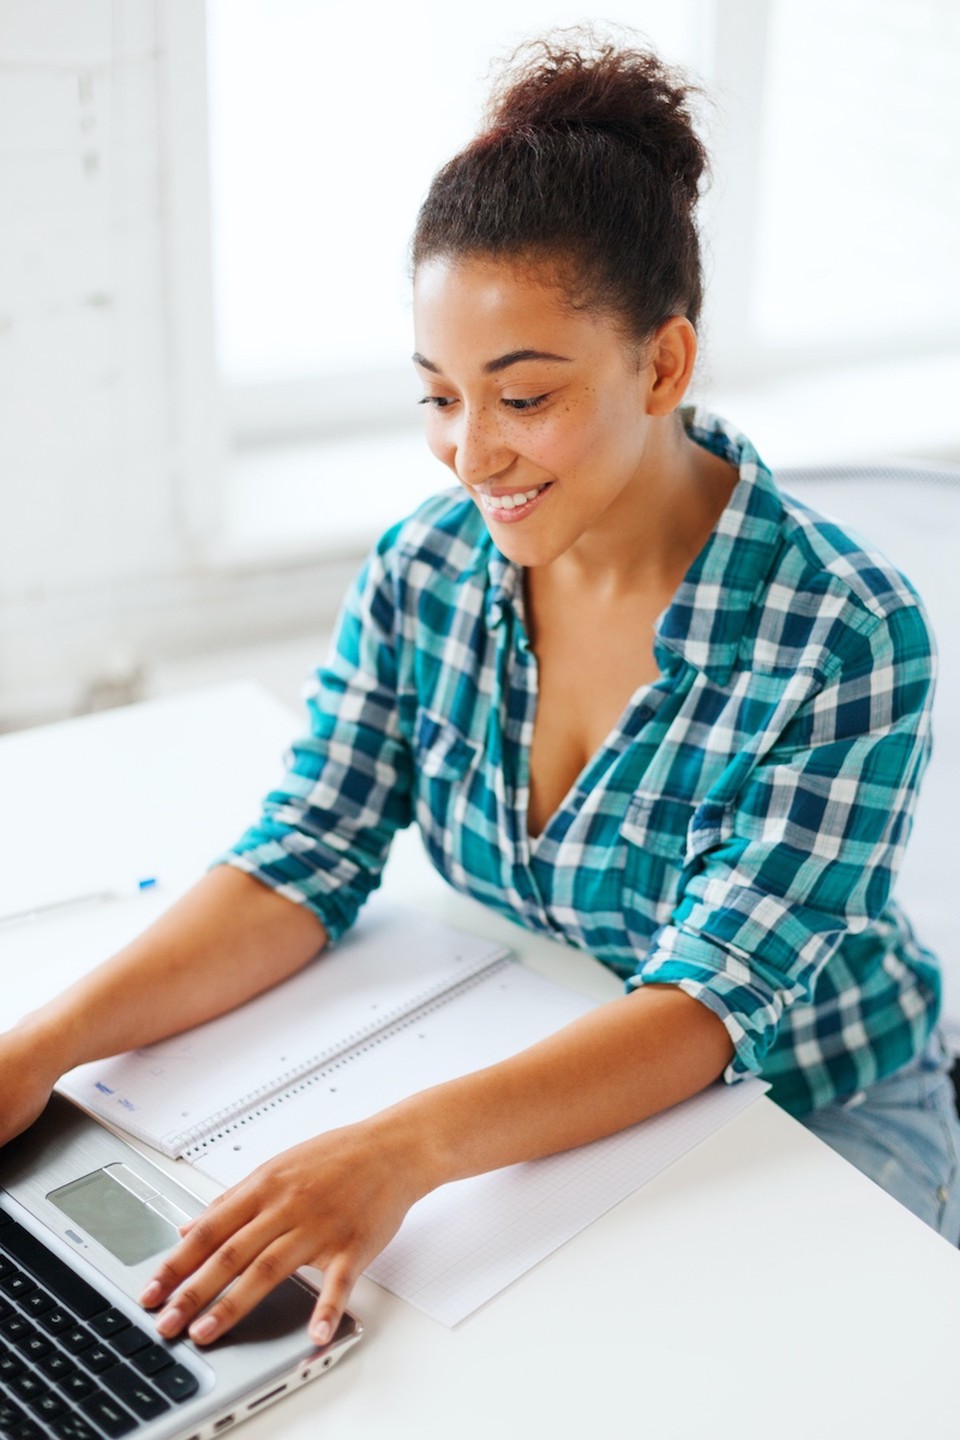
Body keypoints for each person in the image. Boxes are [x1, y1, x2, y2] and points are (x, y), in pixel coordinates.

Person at [3, 31, 958, 1353]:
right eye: (440, 397)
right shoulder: (428, 569)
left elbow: (707, 1005)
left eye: (523, 396)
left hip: (817, 1111)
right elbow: (305, 852)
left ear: (664, 366)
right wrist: (31, 1051)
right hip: (555, 1086)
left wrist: (401, 1150)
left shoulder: (846, 632)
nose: (471, 454)